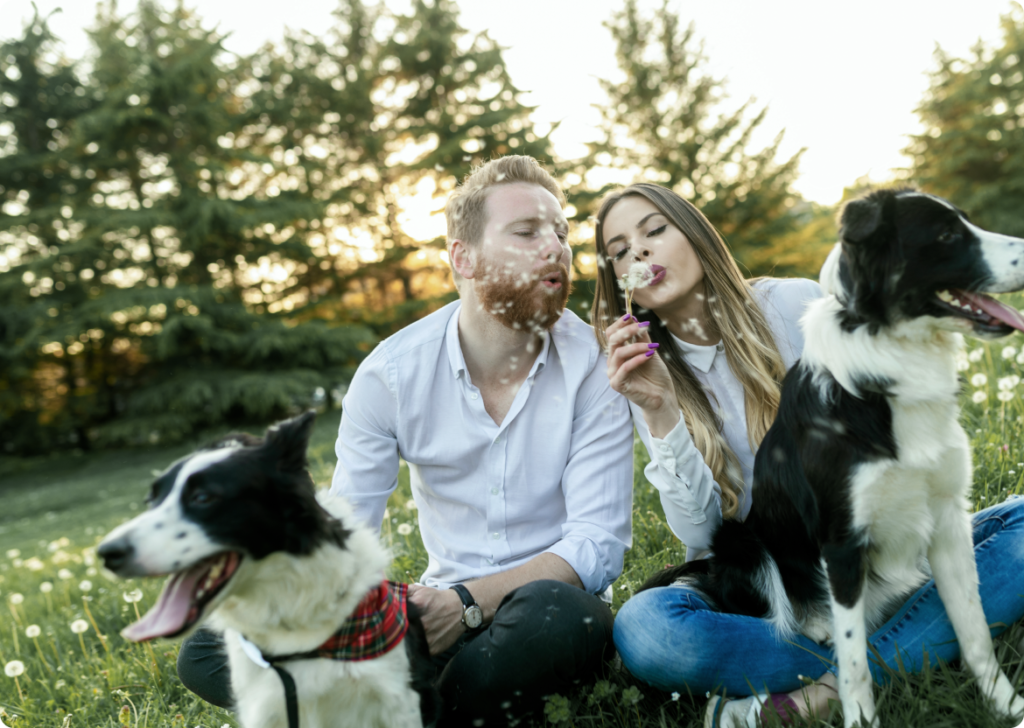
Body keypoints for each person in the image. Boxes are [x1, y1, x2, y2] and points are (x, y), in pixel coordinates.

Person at [592, 183, 1024, 727]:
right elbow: (703, 537)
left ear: (695, 234)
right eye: (621, 251)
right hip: (777, 582)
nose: (641, 253)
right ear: (617, 276)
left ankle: (825, 687)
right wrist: (660, 412)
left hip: (883, 546)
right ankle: (912, 640)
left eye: (655, 231)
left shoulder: (793, 303)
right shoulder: (644, 373)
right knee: (647, 629)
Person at [329, 156, 634, 727]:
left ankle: (413, 710)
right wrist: (391, 613)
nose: (556, 247)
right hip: (434, 611)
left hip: (547, 607)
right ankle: (443, 691)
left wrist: (467, 604)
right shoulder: (389, 375)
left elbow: (597, 544)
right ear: (461, 257)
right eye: (527, 232)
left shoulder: (594, 362)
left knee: (559, 617)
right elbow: (347, 537)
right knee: (216, 648)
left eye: (562, 233)